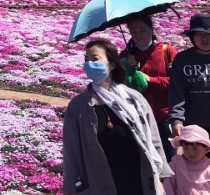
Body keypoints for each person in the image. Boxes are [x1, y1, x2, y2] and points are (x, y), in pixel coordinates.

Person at [63, 38, 172, 195]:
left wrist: (159, 179)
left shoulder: (134, 99)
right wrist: (70, 187)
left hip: (137, 179)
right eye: (86, 60)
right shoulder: (78, 106)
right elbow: (71, 151)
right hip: (99, 181)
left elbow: (154, 139)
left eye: (95, 59)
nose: (89, 64)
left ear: (112, 64)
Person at [119, 15, 179, 162]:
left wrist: (150, 80)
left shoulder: (167, 51)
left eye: (142, 30)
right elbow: (117, 86)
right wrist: (126, 67)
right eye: (133, 31)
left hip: (163, 118)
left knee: (169, 162)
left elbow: (177, 84)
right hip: (137, 118)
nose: (138, 35)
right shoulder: (125, 56)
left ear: (151, 30)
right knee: (143, 163)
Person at [168, 14, 210, 139]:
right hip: (193, 124)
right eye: (199, 34)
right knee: (196, 158)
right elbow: (176, 92)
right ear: (192, 37)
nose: (204, 39)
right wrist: (176, 119)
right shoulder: (183, 59)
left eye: (208, 34)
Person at [163, 125, 210, 194]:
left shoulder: (208, 166)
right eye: (186, 148)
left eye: (195, 149)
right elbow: (168, 187)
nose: (190, 153)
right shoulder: (175, 164)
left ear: (206, 149)